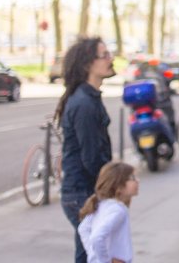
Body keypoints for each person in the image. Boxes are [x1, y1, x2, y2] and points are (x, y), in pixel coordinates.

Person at [55, 37, 116, 263]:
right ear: (87, 64)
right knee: (94, 255)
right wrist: (113, 184)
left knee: (89, 254)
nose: (111, 59)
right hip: (82, 193)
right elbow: (91, 158)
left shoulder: (89, 98)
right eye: (104, 55)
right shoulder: (84, 104)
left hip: (83, 191)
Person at [77, 161, 139, 263]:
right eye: (132, 178)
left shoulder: (101, 204)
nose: (138, 181)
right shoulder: (118, 210)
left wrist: (93, 254)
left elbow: (83, 229)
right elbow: (96, 237)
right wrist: (106, 261)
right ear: (118, 185)